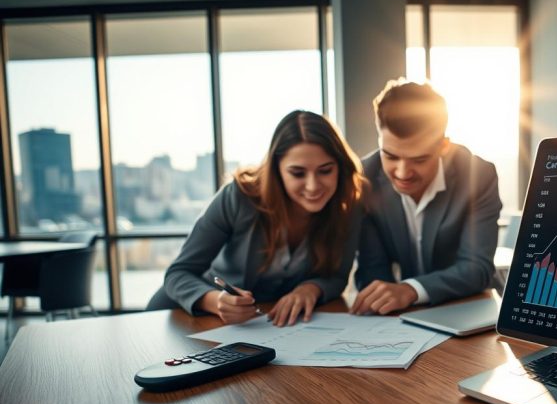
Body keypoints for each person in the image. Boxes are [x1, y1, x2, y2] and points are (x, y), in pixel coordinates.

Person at [147, 110, 366, 326]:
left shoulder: (348, 206)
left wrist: (310, 289)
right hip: (183, 317)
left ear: (340, 166)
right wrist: (216, 301)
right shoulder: (239, 196)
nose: (313, 185)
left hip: (266, 327)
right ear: (277, 170)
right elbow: (178, 274)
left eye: (325, 171)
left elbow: (337, 277)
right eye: (298, 173)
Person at [351, 78, 502, 315]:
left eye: (419, 159)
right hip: (405, 317)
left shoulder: (478, 175)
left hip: (467, 309)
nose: (402, 173)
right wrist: (384, 296)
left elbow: (477, 268)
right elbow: (373, 271)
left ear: (443, 146)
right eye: (390, 156)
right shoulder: (364, 178)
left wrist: (410, 290)